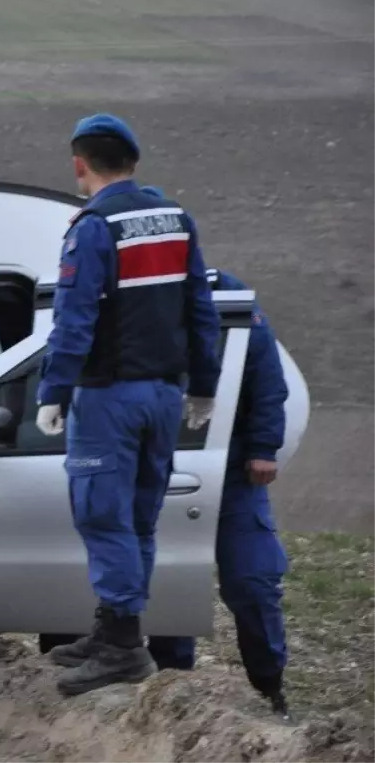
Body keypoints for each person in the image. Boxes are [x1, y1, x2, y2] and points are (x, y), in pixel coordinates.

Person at [39, 186, 294, 719]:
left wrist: (263, 447)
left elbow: (266, 380)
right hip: (164, 449)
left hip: (227, 466)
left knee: (251, 582)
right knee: (162, 569)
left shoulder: (220, 295)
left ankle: (270, 687)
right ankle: (171, 675)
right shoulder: (137, 304)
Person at [34, 114, 222, 697]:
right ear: (133, 164)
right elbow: (200, 307)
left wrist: (53, 391)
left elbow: (75, 320)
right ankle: (115, 629)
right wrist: (205, 385)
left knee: (101, 515)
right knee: (138, 520)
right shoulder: (173, 220)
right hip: (164, 395)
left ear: (79, 165)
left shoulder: (93, 227)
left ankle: (120, 648)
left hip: (109, 396)